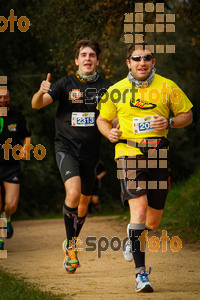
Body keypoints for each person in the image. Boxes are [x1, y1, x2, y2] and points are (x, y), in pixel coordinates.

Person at [96, 42, 193, 293]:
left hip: (159, 154)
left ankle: (133, 237)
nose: (142, 62)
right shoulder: (116, 91)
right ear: (128, 63)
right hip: (128, 154)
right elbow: (102, 119)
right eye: (136, 58)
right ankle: (141, 275)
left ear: (153, 62)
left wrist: (170, 121)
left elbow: (188, 115)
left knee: (152, 222)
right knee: (138, 213)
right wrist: (110, 133)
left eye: (146, 58)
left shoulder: (167, 86)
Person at [31, 40, 111, 274]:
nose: (88, 58)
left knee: (84, 205)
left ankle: (71, 240)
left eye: (92, 55)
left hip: (91, 153)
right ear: (76, 60)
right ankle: (72, 248)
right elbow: (37, 105)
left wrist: (115, 128)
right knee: (73, 194)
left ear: (97, 60)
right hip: (65, 147)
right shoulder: (65, 83)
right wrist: (40, 92)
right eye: (83, 55)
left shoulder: (107, 88)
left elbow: (112, 118)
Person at [0, 90, 31, 251]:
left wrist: (25, 148)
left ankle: (7, 218)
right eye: (0, 97)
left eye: (6, 96)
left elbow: (26, 135)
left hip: (11, 165)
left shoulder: (17, 116)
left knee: (11, 205)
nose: (3, 100)